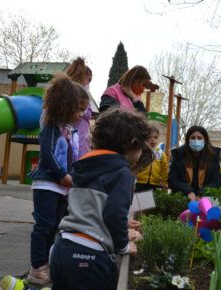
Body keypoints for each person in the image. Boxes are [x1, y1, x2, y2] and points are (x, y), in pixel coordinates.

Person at [49, 108, 150, 290]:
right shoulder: (122, 173)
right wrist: (123, 246)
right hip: (91, 256)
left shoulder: (84, 165)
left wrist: (124, 224)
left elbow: (90, 206)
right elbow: (113, 214)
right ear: (134, 143)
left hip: (62, 247)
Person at [27, 73, 90, 285]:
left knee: (54, 226)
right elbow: (48, 154)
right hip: (48, 184)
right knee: (43, 226)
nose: (81, 114)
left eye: (83, 109)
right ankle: (37, 267)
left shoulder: (70, 130)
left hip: (62, 187)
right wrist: (62, 175)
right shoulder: (52, 128)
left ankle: (46, 263)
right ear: (64, 105)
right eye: (78, 109)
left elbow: (72, 158)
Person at [168, 126, 221, 201]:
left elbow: (216, 182)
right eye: (193, 138)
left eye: (199, 138)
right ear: (188, 140)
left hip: (205, 199)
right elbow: (172, 180)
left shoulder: (212, 157)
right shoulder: (179, 156)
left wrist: (202, 193)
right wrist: (188, 191)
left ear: (205, 140)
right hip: (182, 198)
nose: (196, 140)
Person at [66, 57, 93, 157]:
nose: (89, 83)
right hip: (77, 141)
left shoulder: (83, 94)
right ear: (82, 76)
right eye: (88, 80)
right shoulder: (76, 94)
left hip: (81, 140)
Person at [136, 126, 169, 192]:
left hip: (155, 183)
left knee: (151, 201)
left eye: (155, 137)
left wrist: (165, 182)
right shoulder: (141, 151)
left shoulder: (160, 152)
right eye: (149, 137)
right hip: (140, 182)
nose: (153, 140)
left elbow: (164, 168)